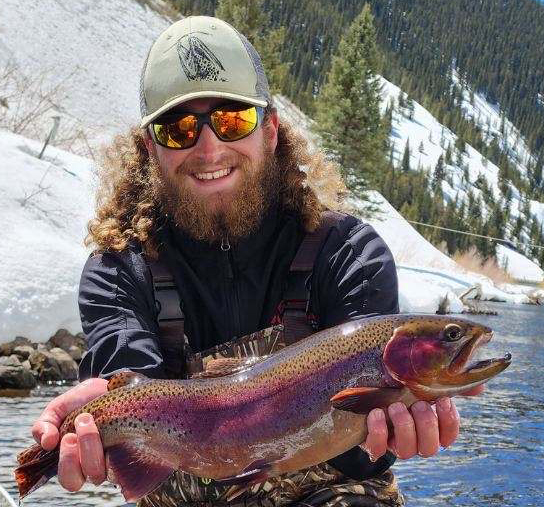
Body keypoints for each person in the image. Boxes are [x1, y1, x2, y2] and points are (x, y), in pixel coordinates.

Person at [31, 16, 482, 506]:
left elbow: (360, 457)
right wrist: (99, 417)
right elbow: (129, 372)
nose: (208, 148)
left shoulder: (348, 253)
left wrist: (389, 431)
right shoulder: (119, 270)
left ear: (270, 130)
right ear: (150, 149)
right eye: (179, 129)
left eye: (232, 120)